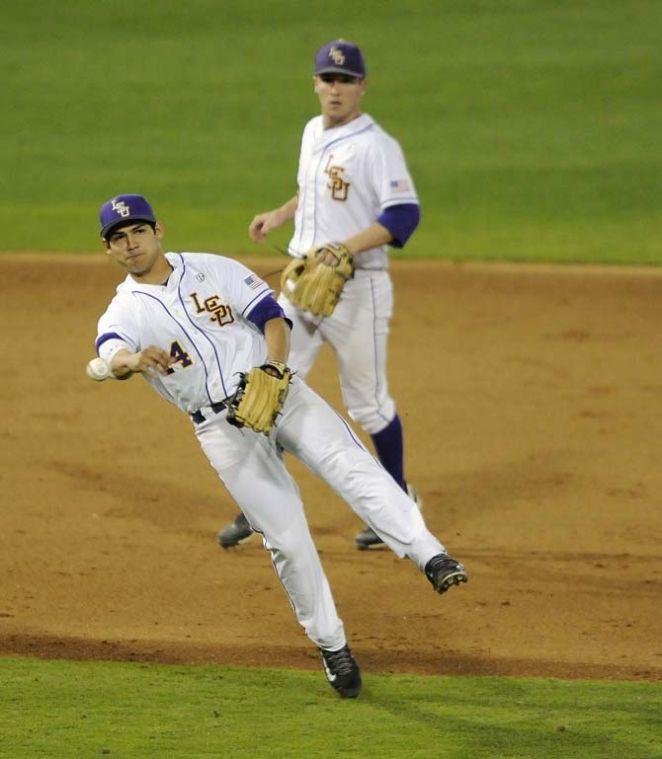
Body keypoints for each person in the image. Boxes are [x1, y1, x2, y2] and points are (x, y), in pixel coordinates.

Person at [92, 193, 468, 699]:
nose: (130, 243)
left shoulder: (212, 269)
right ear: (109, 250)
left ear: (158, 229)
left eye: (137, 231)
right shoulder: (125, 309)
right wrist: (132, 361)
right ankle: (332, 645)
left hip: (280, 392)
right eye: (119, 238)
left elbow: (272, 316)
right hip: (222, 431)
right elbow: (107, 356)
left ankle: (431, 556)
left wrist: (273, 365)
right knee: (287, 540)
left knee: (350, 466)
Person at [218, 39, 423, 551]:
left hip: (357, 292)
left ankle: (397, 503)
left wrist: (343, 249)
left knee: (368, 403)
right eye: (328, 80)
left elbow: (403, 215)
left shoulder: (378, 146)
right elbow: (312, 191)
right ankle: (260, 505)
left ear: (362, 87)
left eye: (346, 80)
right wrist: (280, 215)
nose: (336, 89)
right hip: (300, 287)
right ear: (315, 83)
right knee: (273, 386)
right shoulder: (312, 131)